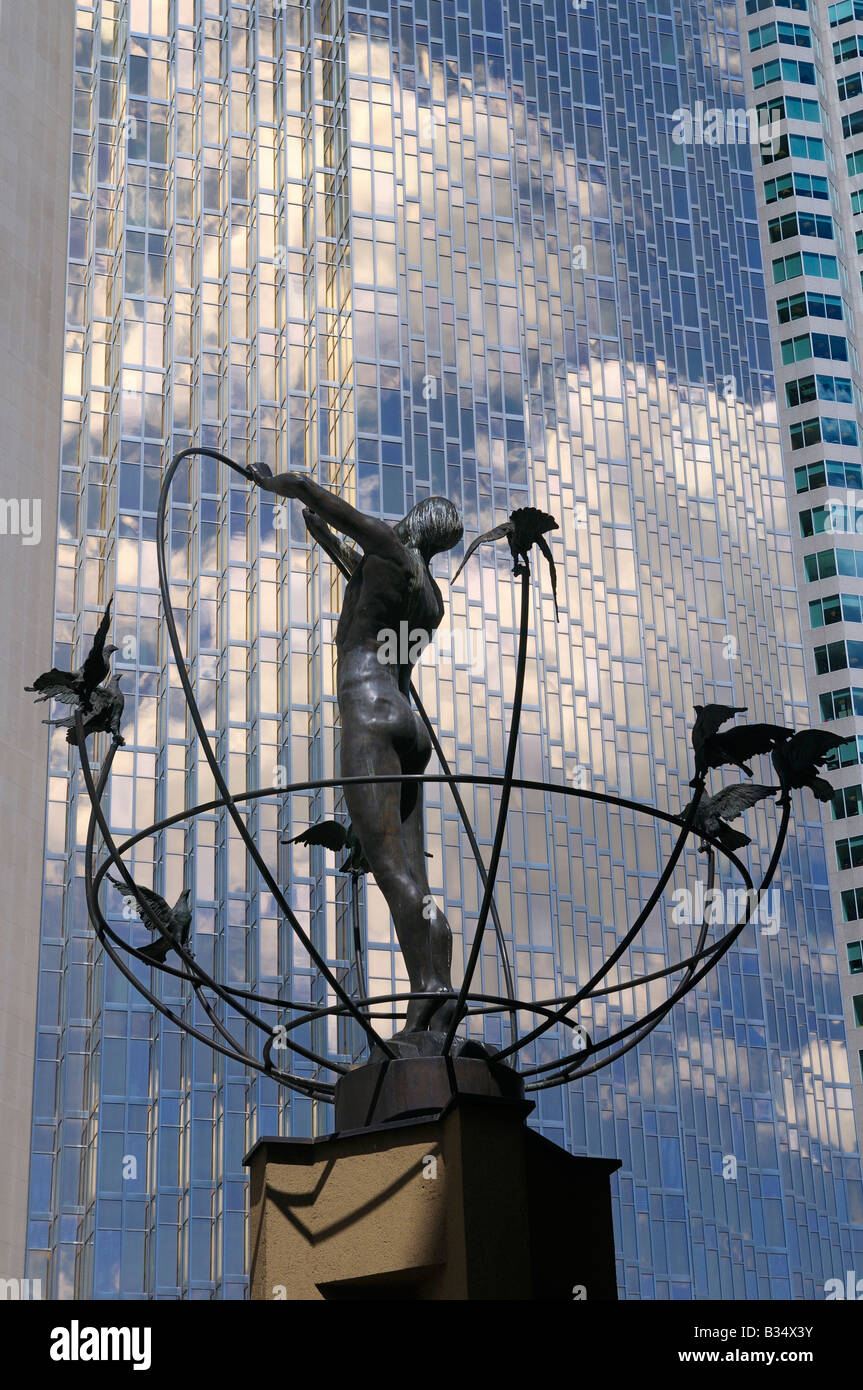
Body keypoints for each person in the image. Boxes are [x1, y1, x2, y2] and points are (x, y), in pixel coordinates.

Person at [249, 466, 464, 1034]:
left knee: (390, 867)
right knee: (411, 870)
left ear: (415, 521)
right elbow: (359, 566)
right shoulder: (430, 598)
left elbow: (335, 506)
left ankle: (435, 978)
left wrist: (283, 485)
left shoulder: (390, 547)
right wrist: (323, 538)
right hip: (408, 727)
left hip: (369, 714)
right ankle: (433, 988)